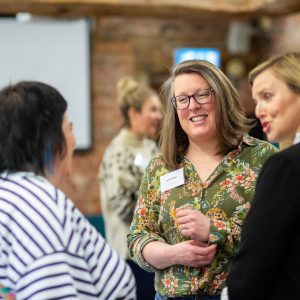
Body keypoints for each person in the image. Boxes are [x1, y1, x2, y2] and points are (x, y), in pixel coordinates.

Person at [127, 59, 278, 300]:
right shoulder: (161, 165)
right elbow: (137, 237)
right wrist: (173, 254)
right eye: (183, 99)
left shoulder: (262, 158)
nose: (193, 106)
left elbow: (276, 240)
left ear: (221, 98)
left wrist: (214, 230)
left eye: (201, 95)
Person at [0, 81, 136, 299]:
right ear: (50, 140)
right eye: (69, 128)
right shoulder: (39, 208)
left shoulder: (11, 194)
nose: (73, 142)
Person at [221, 52, 300, 300]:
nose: (259, 110)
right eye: (256, 100)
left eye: (267, 96)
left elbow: (255, 263)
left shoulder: (286, 166)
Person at [99, 76, 162, 299]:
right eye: (152, 110)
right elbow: (125, 209)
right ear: (133, 113)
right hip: (130, 257)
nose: (159, 116)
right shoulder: (117, 153)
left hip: (155, 252)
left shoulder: (151, 146)